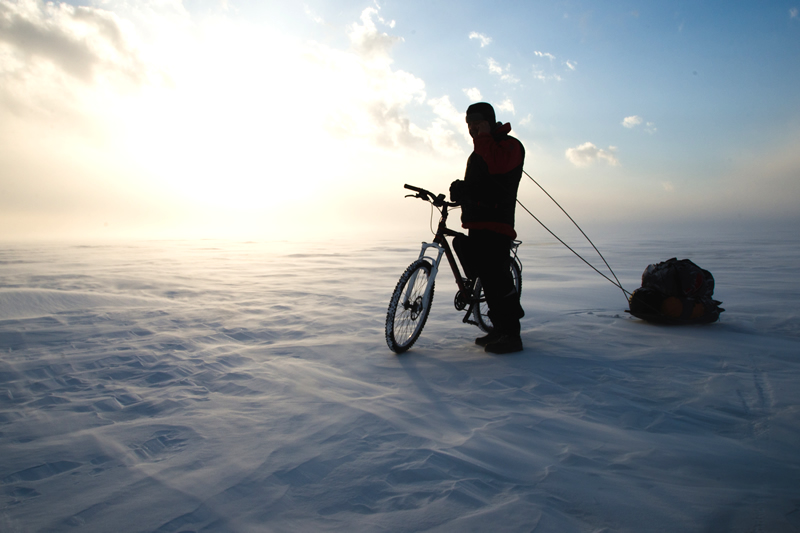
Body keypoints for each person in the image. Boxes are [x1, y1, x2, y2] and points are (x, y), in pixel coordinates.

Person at [449, 102, 525, 354]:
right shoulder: (480, 151)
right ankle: (499, 329)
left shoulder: (510, 146)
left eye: (478, 124)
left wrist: (483, 138)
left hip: (497, 224)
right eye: (469, 125)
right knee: (487, 278)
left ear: (490, 123)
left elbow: (498, 167)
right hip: (478, 223)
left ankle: (511, 334)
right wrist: (461, 190)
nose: (472, 129)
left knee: (498, 280)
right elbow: (479, 185)